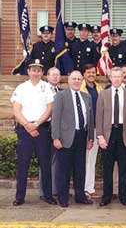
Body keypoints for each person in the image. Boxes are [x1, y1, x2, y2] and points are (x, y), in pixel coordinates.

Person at [11, 59, 56, 206]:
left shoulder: (47, 87)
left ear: (42, 72)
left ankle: (48, 195)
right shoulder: (21, 88)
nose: (36, 73)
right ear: (28, 71)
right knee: (23, 164)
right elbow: (16, 110)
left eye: (38, 70)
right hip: (25, 130)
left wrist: (36, 124)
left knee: (45, 164)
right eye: (33, 70)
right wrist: (27, 125)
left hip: (42, 129)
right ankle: (19, 197)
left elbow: (50, 108)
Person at [51, 70, 95, 207]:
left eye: (78, 79)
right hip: (65, 138)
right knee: (64, 169)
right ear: (69, 80)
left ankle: (80, 196)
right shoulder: (61, 96)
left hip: (82, 136)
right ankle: (63, 198)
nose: (76, 81)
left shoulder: (86, 97)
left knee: (80, 168)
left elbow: (91, 119)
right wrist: (56, 137)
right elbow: (56, 118)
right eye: (74, 79)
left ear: (82, 81)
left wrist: (90, 138)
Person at [96, 67, 126, 206]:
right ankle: (106, 196)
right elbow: (99, 117)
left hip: (123, 134)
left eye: (119, 76)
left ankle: (123, 195)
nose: (116, 79)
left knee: (123, 167)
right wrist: (100, 136)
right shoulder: (103, 94)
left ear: (123, 78)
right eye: (114, 76)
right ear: (110, 78)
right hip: (108, 134)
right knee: (107, 167)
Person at [80, 64, 103, 199]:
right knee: (82, 159)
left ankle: (90, 187)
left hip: (96, 128)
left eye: (93, 72)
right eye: (88, 72)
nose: (91, 75)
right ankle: (81, 188)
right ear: (84, 74)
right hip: (83, 129)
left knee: (91, 160)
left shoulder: (99, 89)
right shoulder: (80, 88)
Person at [39, 67, 61, 199]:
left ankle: (54, 189)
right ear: (47, 76)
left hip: (57, 129)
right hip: (45, 127)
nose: (55, 77)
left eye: (57, 75)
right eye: (52, 75)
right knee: (45, 160)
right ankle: (44, 191)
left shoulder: (61, 91)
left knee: (56, 161)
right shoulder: (42, 90)